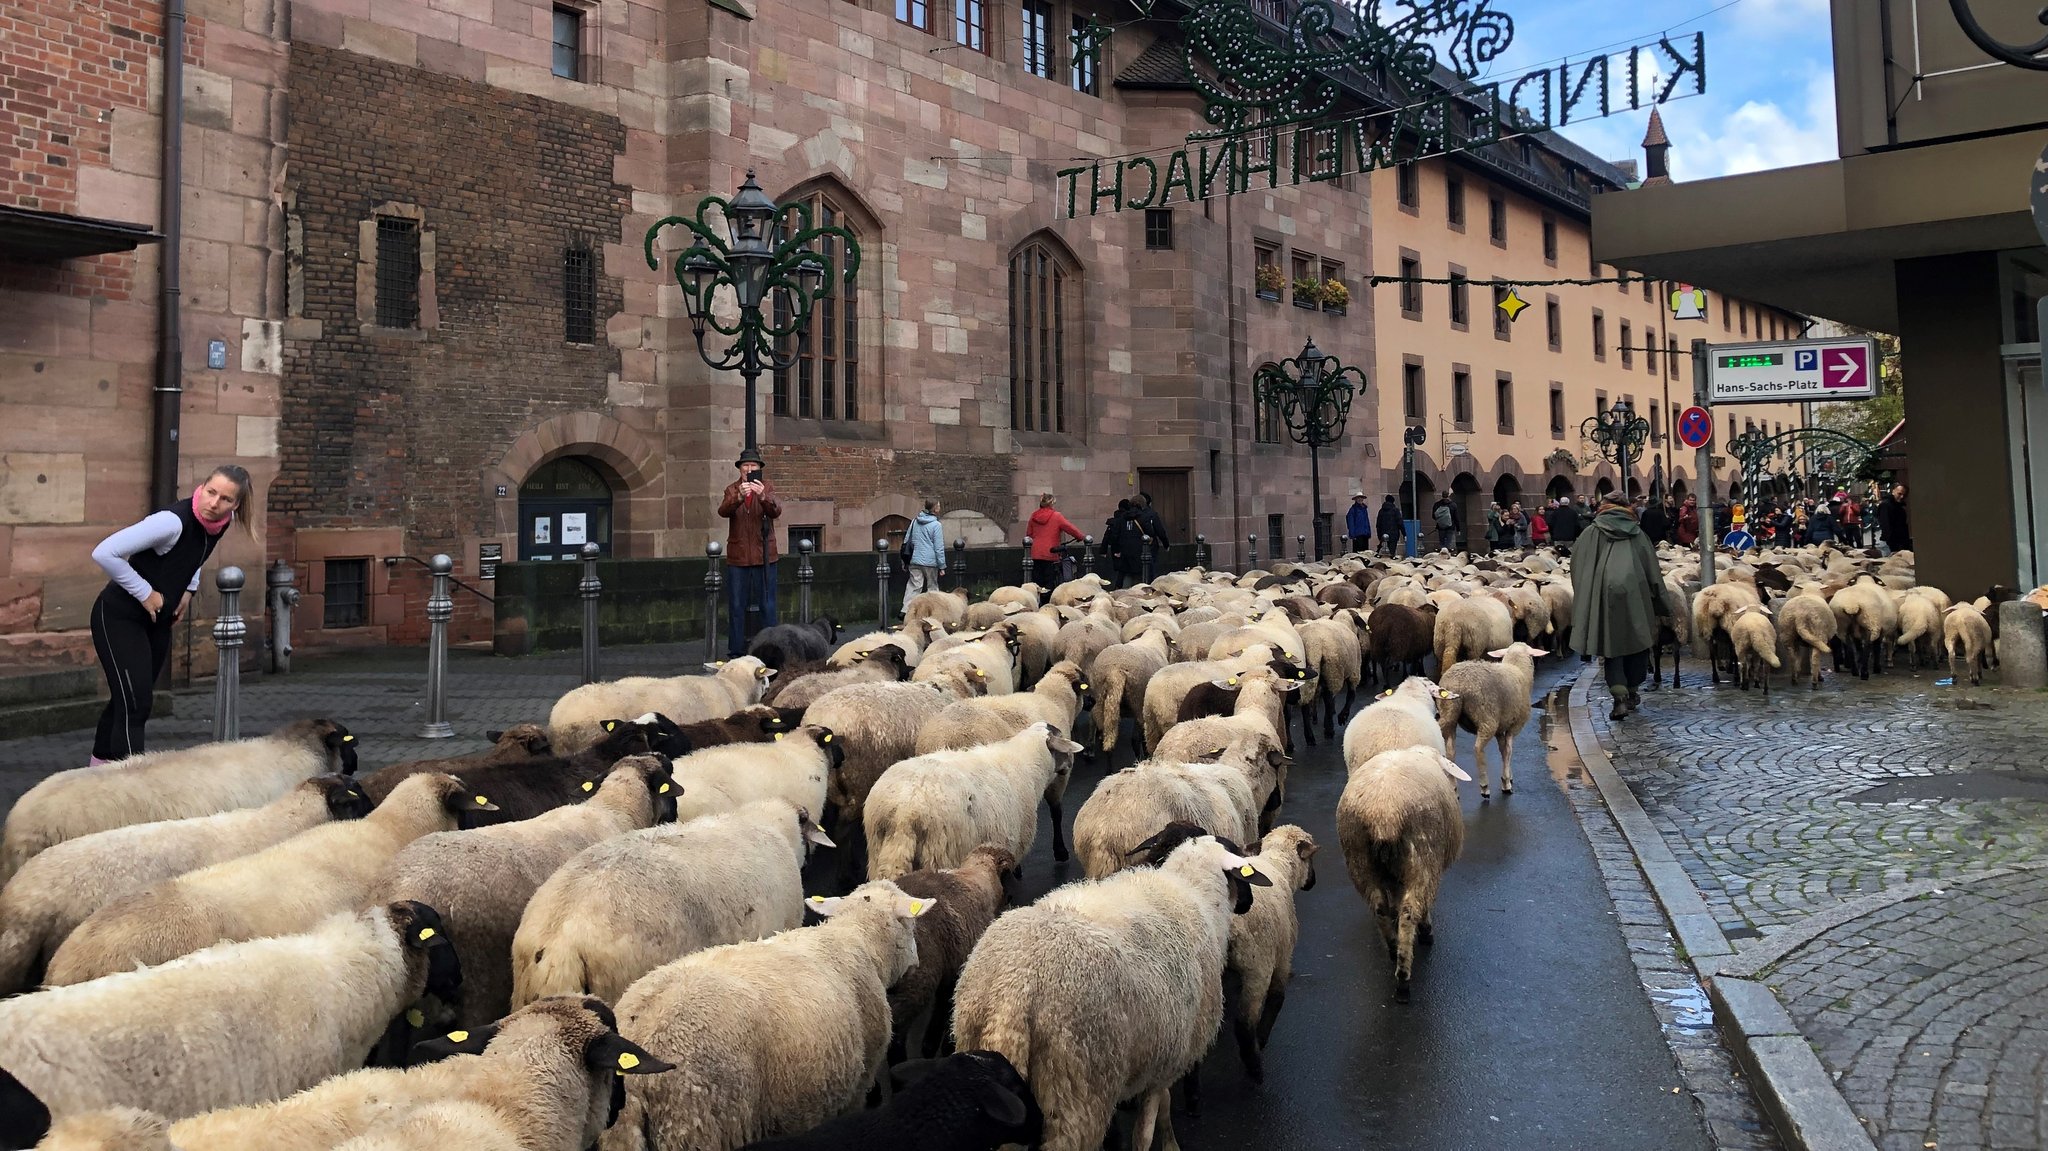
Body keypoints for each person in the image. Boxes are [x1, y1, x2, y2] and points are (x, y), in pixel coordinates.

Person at [88, 464, 253, 763]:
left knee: (129, 701)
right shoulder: (171, 523)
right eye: (211, 492)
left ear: (236, 505)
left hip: (156, 624)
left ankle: (96, 778)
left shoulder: (218, 523)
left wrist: (189, 590)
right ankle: (131, 793)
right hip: (118, 616)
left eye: (225, 499)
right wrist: (145, 593)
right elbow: (104, 552)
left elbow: (198, 554)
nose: (214, 503)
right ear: (201, 488)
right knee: (135, 705)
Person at [1568, 491, 1671, 721]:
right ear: (1626, 507)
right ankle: (1633, 690)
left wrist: (1587, 595)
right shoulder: (1638, 534)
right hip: (1637, 593)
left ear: (1604, 506)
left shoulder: (1591, 533)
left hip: (1604, 596)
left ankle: (1619, 698)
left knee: (1611, 646)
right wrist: (1663, 603)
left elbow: (1578, 567)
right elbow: (1653, 571)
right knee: (1637, 642)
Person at [717, 453, 781, 659]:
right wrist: (738, 497)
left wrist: (762, 497)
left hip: (765, 556)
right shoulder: (732, 489)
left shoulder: (767, 487)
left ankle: (769, 650)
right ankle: (735, 652)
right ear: (740, 469)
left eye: (753, 465)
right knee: (736, 606)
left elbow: (776, 511)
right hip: (739, 557)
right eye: (746, 465)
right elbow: (723, 511)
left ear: (759, 468)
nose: (749, 469)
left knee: (767, 604)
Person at [1026, 493, 1084, 587]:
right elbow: (1070, 528)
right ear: (1051, 504)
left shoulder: (1033, 516)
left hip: (1035, 553)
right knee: (1050, 580)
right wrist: (1080, 537)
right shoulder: (1056, 516)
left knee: (1038, 581)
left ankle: (1039, 600)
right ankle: (1048, 600)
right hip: (1051, 552)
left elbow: (1029, 534)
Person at [902, 497, 946, 618]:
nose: (940, 507)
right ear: (935, 509)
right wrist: (942, 566)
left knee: (914, 586)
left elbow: (906, 541)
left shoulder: (914, 521)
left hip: (914, 559)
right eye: (939, 505)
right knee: (932, 587)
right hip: (930, 562)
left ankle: (906, 610)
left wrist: (904, 561)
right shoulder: (936, 525)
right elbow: (939, 547)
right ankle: (935, 612)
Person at [1107, 499, 1145, 589]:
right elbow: (1150, 532)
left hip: (1124, 550)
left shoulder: (1121, 519)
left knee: (1125, 573)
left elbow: (1115, 536)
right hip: (1138, 550)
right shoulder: (1142, 518)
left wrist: (1117, 550)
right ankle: (1137, 593)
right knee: (1138, 575)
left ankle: (1123, 593)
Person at [1133, 491, 1170, 581]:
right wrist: (1166, 544)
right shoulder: (1151, 514)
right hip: (1150, 545)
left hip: (1133, 545)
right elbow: (1159, 530)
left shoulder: (1128, 515)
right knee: (1150, 567)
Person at [1876, 484, 1911, 553]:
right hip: (1891, 542)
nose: (1902, 497)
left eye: (1904, 495)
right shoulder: (1886, 505)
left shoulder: (1900, 506)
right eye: (1899, 494)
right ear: (1893, 491)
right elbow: (1886, 524)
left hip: (1899, 540)